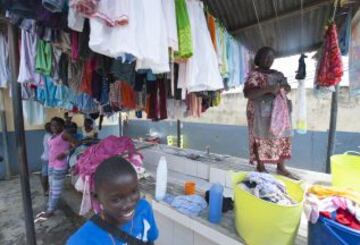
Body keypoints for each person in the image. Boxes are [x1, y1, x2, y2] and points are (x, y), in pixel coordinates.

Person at [67, 156, 159, 245]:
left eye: (134, 191)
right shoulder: (82, 241)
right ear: (97, 198)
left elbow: (150, 240)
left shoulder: (144, 208)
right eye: (116, 199)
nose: (129, 204)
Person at [243, 47, 297, 180]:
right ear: (259, 58)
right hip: (259, 111)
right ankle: (261, 167)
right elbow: (248, 93)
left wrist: (283, 88)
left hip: (278, 111)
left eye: (271, 58)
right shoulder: (254, 75)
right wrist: (268, 89)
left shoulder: (278, 74)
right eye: (266, 57)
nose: (268, 60)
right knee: (259, 137)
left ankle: (281, 167)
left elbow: (288, 87)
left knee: (281, 136)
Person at [35, 117, 78, 222]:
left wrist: (65, 153)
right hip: (51, 164)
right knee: (51, 188)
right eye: (52, 125)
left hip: (60, 164)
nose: (54, 127)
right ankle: (50, 207)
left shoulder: (64, 134)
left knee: (56, 189)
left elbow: (76, 144)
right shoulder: (53, 135)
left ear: (62, 126)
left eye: (56, 125)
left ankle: (50, 211)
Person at [40, 122, 52, 196]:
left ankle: (45, 191)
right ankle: (46, 190)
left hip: (45, 157)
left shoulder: (46, 135)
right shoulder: (50, 137)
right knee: (47, 175)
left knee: (45, 174)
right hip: (49, 158)